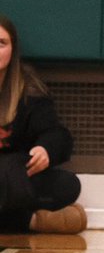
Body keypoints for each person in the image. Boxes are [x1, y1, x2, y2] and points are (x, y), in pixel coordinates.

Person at [0, 14, 85, 234]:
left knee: (67, 186)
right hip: (11, 186)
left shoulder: (27, 87)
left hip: (15, 175)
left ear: (13, 49)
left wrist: (45, 149)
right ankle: (31, 222)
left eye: (1, 43)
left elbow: (57, 134)